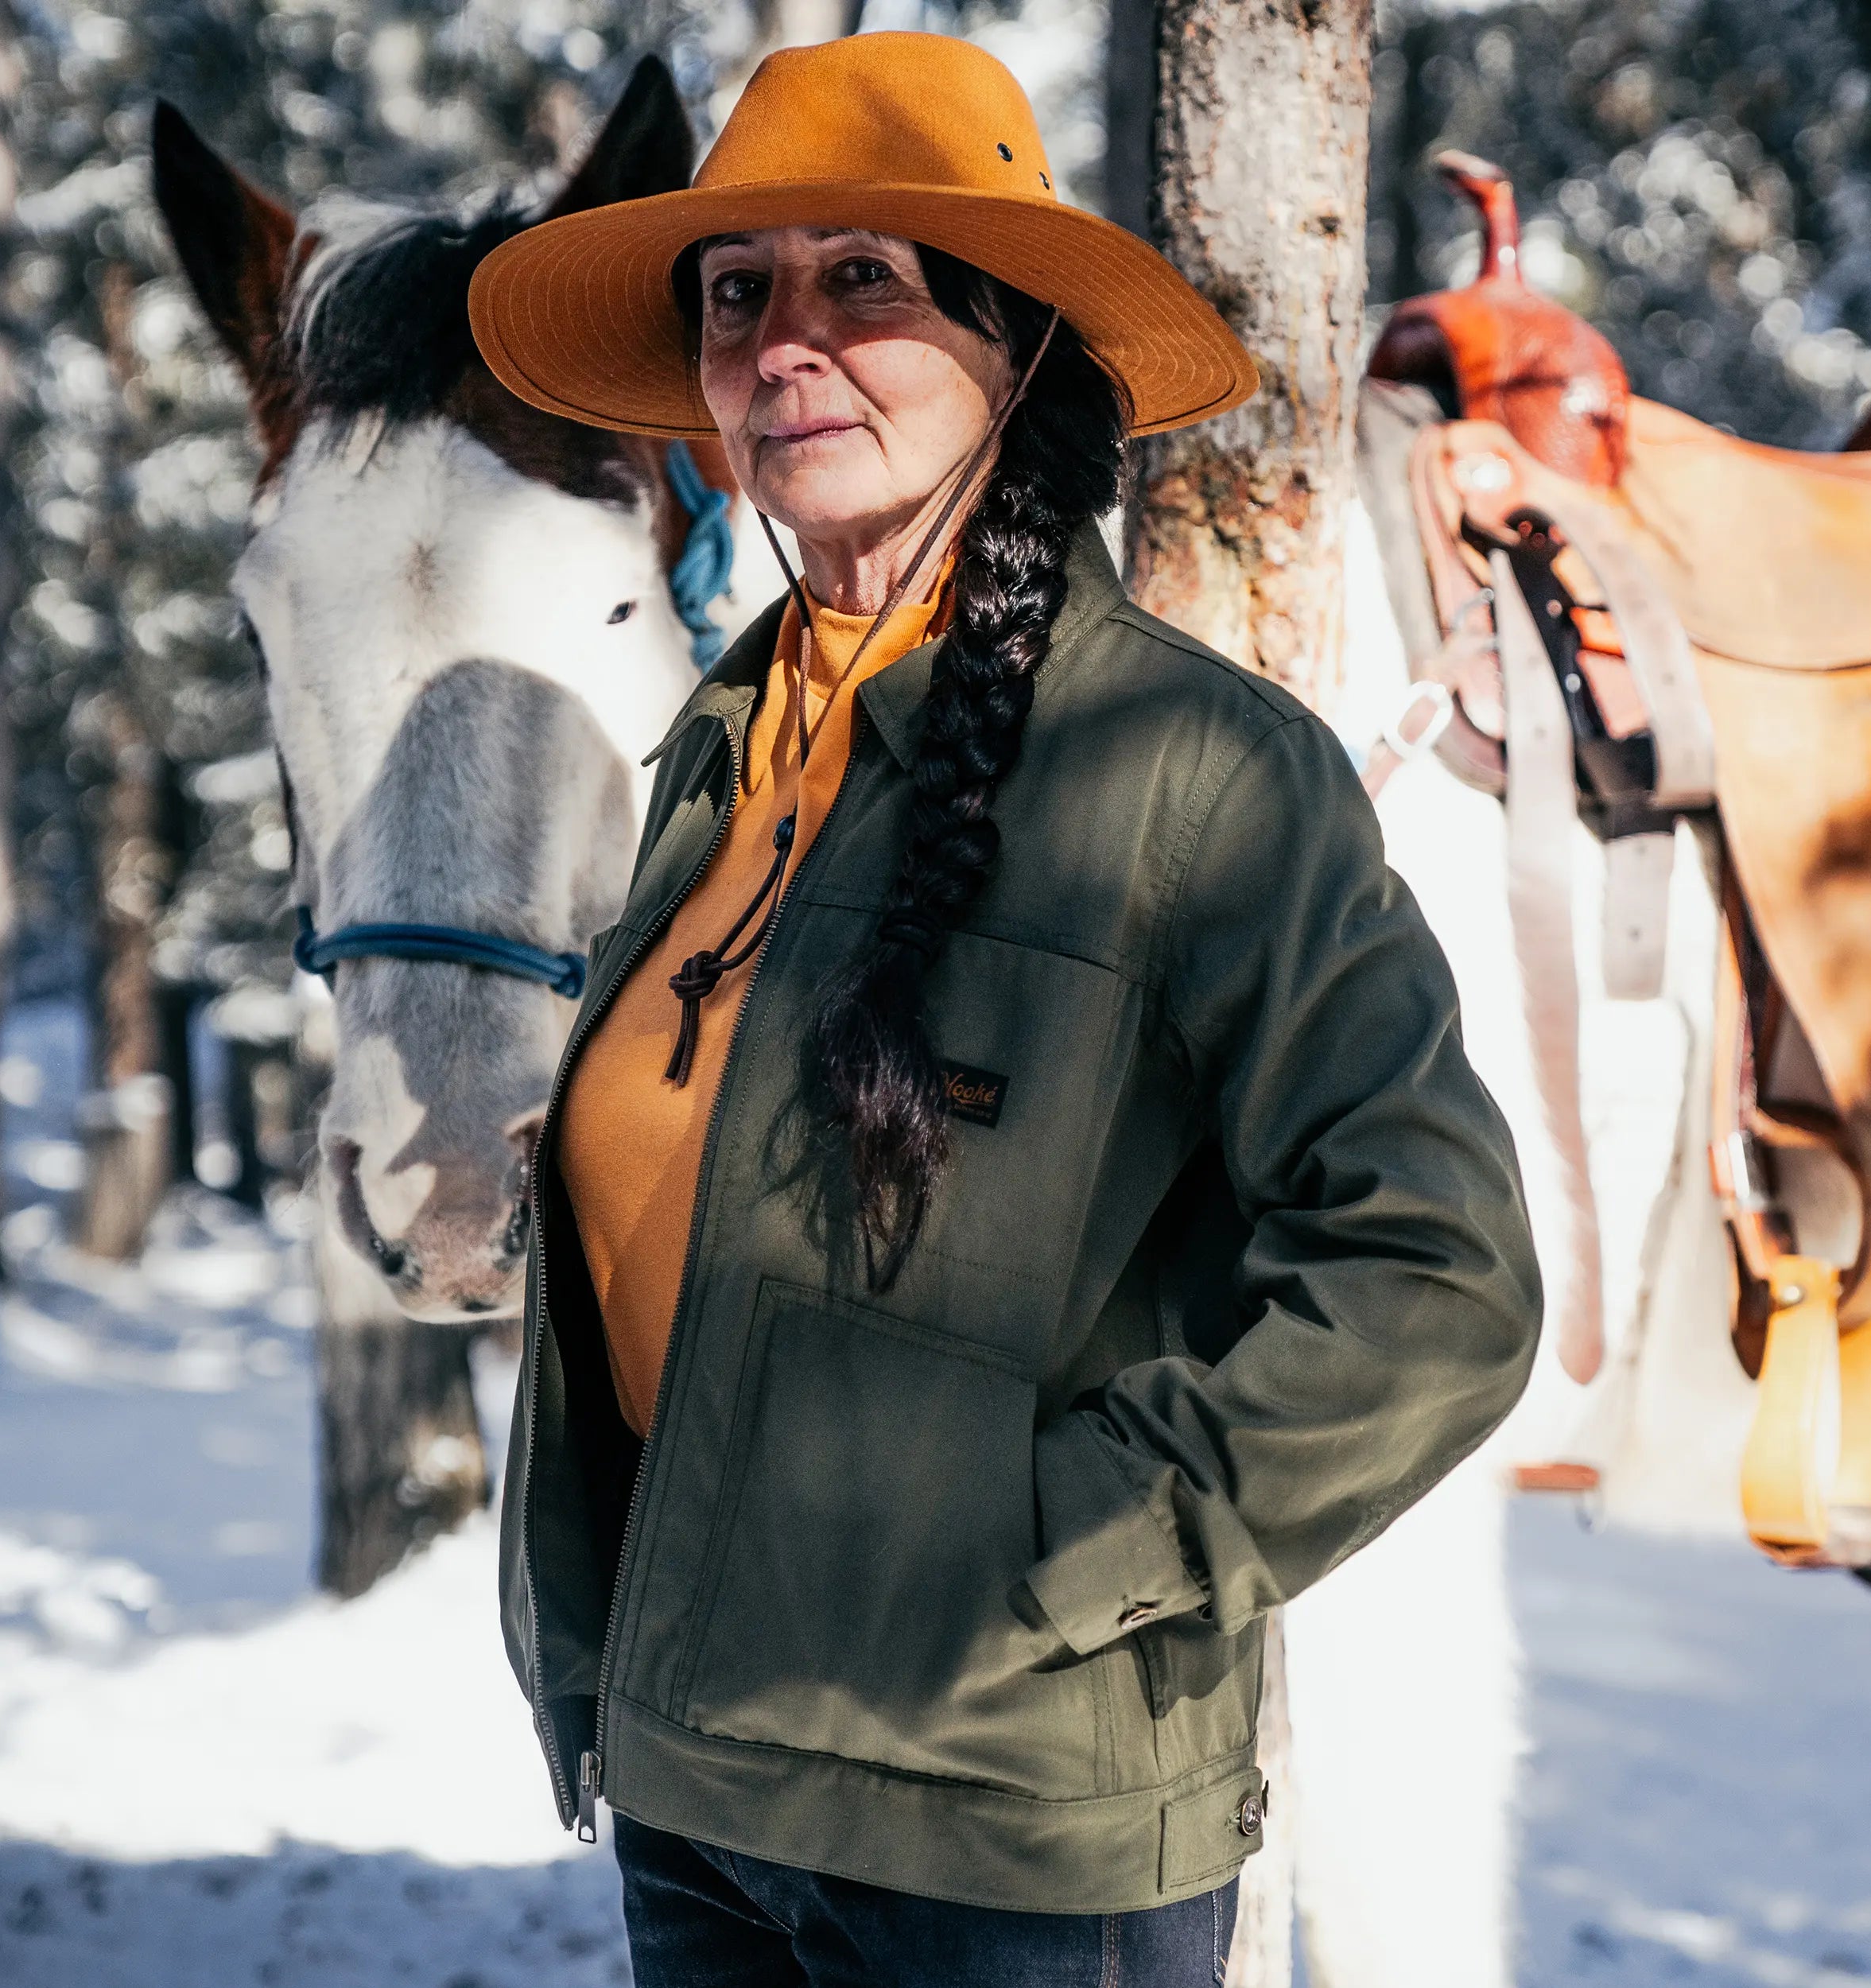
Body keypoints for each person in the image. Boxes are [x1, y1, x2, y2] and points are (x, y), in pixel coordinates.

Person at [470, 31, 1540, 1986]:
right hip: (699, 1794)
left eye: (862, 278)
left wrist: (1063, 1555)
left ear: (1017, 344)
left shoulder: (1198, 776)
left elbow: (1435, 1276)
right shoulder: (714, 758)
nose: (783, 339)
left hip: (1004, 1839)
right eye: (737, 293)